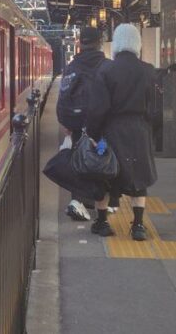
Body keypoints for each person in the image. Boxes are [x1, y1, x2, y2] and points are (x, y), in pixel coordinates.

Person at [86, 24, 158, 241]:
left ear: (116, 43)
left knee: (106, 176)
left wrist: (93, 134)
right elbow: (155, 108)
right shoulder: (148, 70)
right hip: (139, 130)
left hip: (112, 131)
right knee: (139, 180)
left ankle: (102, 222)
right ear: (138, 44)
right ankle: (138, 226)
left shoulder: (106, 70)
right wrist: (150, 132)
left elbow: (98, 108)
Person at [56, 26, 108, 221]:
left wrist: (66, 124)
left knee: (79, 159)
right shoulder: (107, 66)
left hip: (77, 126)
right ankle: (98, 200)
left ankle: (78, 199)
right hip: (103, 129)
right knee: (101, 159)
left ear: (80, 43)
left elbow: (63, 96)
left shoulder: (72, 67)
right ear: (99, 42)